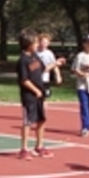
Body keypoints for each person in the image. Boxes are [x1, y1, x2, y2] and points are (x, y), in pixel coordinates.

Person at [16, 30, 54, 160]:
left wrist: (56, 64)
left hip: (40, 95)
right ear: (28, 44)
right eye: (36, 42)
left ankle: (39, 146)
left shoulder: (35, 57)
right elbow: (24, 80)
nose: (38, 44)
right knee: (28, 122)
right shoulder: (23, 60)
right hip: (29, 96)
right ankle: (24, 149)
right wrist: (35, 90)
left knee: (42, 119)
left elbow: (43, 69)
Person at [36, 33, 66, 97]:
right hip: (36, 77)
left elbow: (54, 66)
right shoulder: (35, 52)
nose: (44, 44)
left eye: (46, 42)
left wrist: (58, 76)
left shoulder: (49, 53)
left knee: (45, 94)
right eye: (43, 42)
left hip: (45, 78)